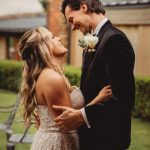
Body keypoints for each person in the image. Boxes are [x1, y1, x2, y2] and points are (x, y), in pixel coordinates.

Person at [53, 0, 135, 150]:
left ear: (84, 7)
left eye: (71, 19)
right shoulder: (95, 39)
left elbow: (124, 99)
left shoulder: (114, 40)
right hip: (91, 137)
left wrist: (81, 116)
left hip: (108, 139)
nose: (72, 27)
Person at [17, 26, 112, 150]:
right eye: (52, 37)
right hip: (57, 144)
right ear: (43, 47)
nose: (59, 38)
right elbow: (69, 122)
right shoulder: (51, 78)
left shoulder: (49, 74)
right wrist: (99, 99)